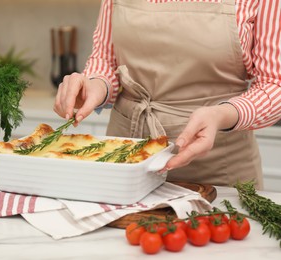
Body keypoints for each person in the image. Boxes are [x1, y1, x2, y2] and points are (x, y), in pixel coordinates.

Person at [53, 0, 281, 189]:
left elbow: (274, 84)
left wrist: (221, 115)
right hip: (125, 159)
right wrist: (96, 85)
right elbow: (105, 59)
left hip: (217, 169)